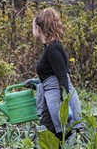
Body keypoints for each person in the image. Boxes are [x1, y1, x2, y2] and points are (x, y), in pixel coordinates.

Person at [29, 7, 83, 140]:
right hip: (51, 98)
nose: (32, 30)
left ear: (39, 27)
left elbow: (62, 76)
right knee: (51, 138)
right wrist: (36, 82)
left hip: (57, 99)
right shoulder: (49, 47)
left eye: (33, 26)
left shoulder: (53, 48)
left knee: (53, 137)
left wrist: (64, 106)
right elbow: (51, 75)